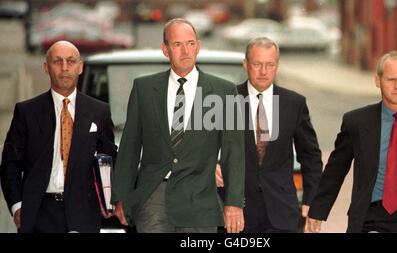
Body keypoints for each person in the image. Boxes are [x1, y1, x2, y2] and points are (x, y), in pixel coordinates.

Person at [111, 18, 245, 233]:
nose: (185, 51)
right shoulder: (144, 88)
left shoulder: (224, 91)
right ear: (165, 49)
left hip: (200, 199)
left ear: (198, 46)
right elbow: (130, 147)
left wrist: (234, 203)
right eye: (177, 44)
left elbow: (234, 153)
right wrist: (120, 196)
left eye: (191, 43)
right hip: (153, 198)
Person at [306, 51, 397, 233]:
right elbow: (335, 170)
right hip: (373, 218)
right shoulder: (356, 122)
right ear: (378, 80)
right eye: (391, 79)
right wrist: (317, 210)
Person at [0, 41, 117, 233]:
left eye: (71, 61)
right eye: (57, 61)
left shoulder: (99, 111)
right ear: (46, 68)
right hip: (38, 213)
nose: (64, 68)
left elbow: (111, 161)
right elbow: (9, 164)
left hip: (84, 213)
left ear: (80, 68)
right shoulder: (27, 112)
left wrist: (112, 199)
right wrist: (17, 206)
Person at [217, 37, 323, 232]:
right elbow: (204, 147)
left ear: (277, 65)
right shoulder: (226, 101)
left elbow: (311, 156)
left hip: (281, 213)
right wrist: (213, 165)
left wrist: (311, 200)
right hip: (235, 213)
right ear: (245, 64)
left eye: (270, 65)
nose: (264, 72)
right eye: (257, 64)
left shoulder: (294, 103)